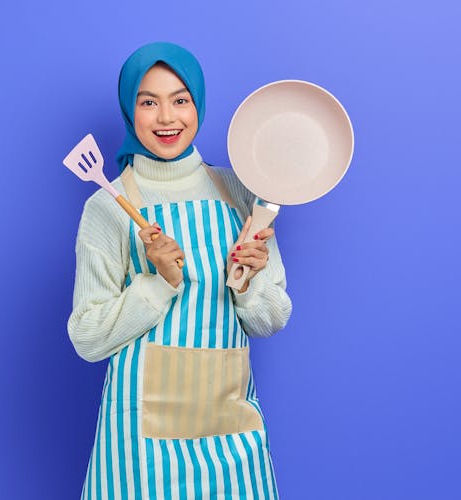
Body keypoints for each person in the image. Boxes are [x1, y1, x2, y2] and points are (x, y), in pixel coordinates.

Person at [68, 41, 292, 499]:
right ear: (130, 110)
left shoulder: (239, 191)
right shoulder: (107, 206)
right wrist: (157, 284)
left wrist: (248, 286)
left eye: (180, 100)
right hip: (139, 445)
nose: (167, 118)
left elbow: (271, 319)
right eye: (149, 102)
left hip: (230, 435)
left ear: (198, 104)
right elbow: (87, 337)